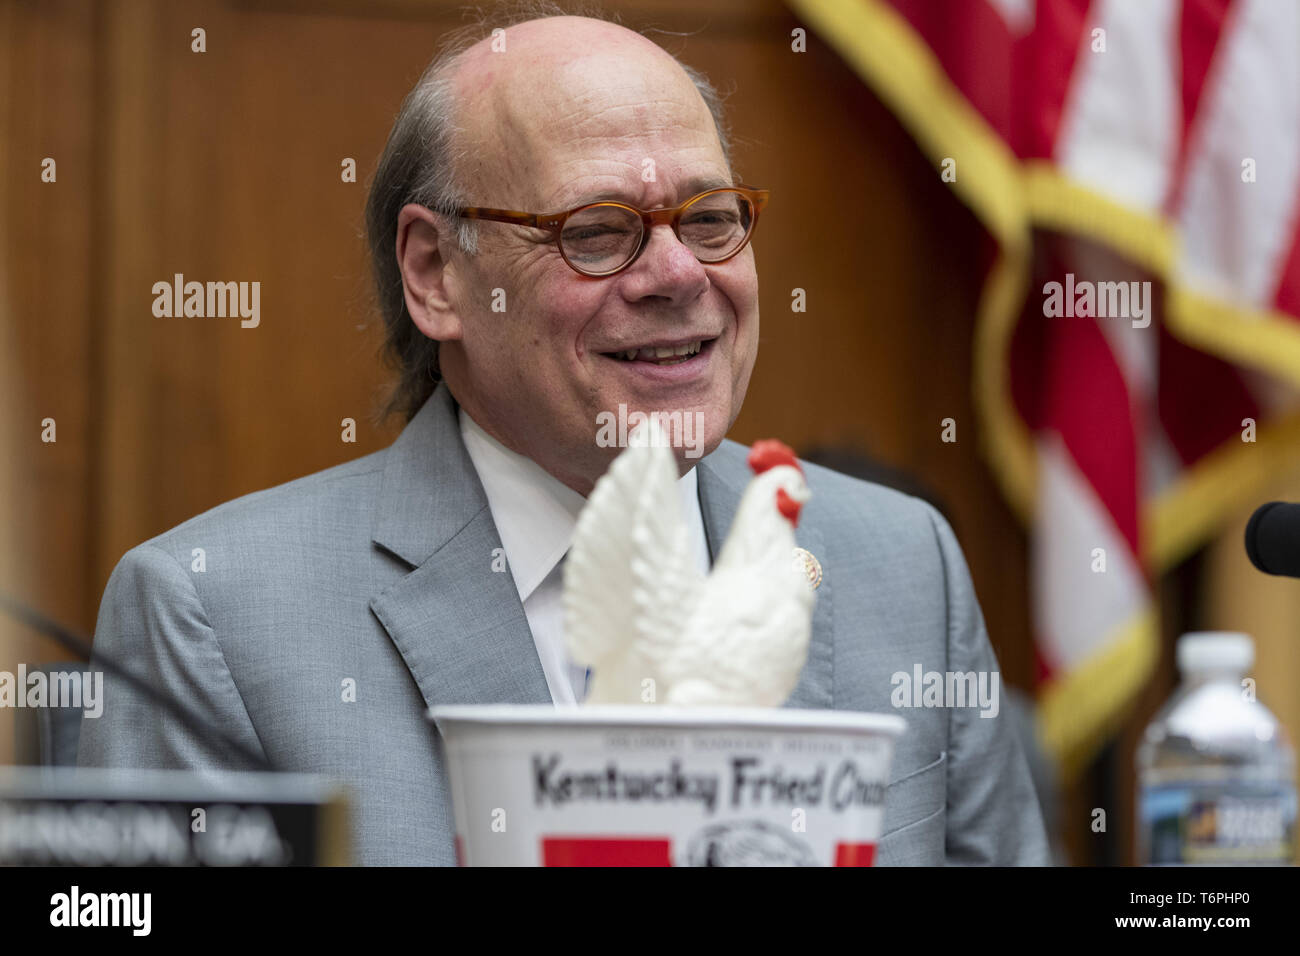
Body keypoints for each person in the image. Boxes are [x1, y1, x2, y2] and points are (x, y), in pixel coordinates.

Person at [78, 5, 1050, 866]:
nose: (676, 272)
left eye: (710, 218)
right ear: (435, 273)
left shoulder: (901, 566)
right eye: (596, 229)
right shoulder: (215, 617)